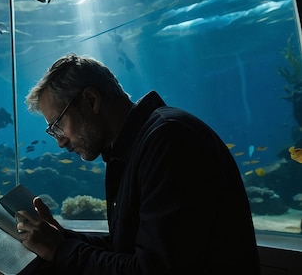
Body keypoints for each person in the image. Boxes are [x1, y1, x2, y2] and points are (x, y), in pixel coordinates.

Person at [17, 53, 260, 274]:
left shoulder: (168, 140)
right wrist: (61, 237)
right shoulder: (132, 149)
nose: (60, 142)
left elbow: (153, 270)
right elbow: (128, 246)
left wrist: (61, 250)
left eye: (58, 125)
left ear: (91, 100)